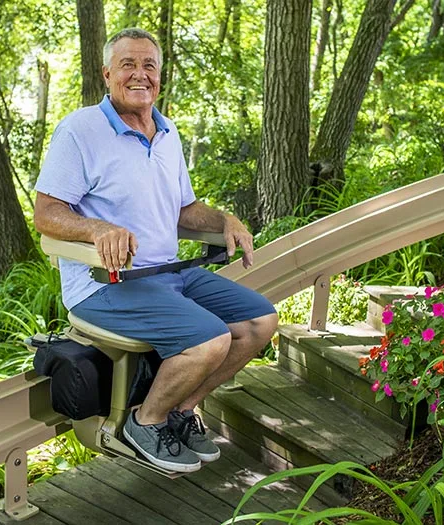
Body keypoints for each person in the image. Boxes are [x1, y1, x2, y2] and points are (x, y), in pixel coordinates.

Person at [33, 28, 278, 473]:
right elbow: (47, 213)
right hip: (104, 285)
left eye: (149, 66)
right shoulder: (79, 130)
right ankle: (145, 423)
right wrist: (96, 229)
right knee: (210, 339)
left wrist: (226, 221)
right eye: (128, 64)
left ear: (160, 78)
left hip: (170, 274)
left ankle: (182, 410)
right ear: (107, 73)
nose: (140, 74)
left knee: (260, 322)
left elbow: (183, 211)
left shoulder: (168, 132)